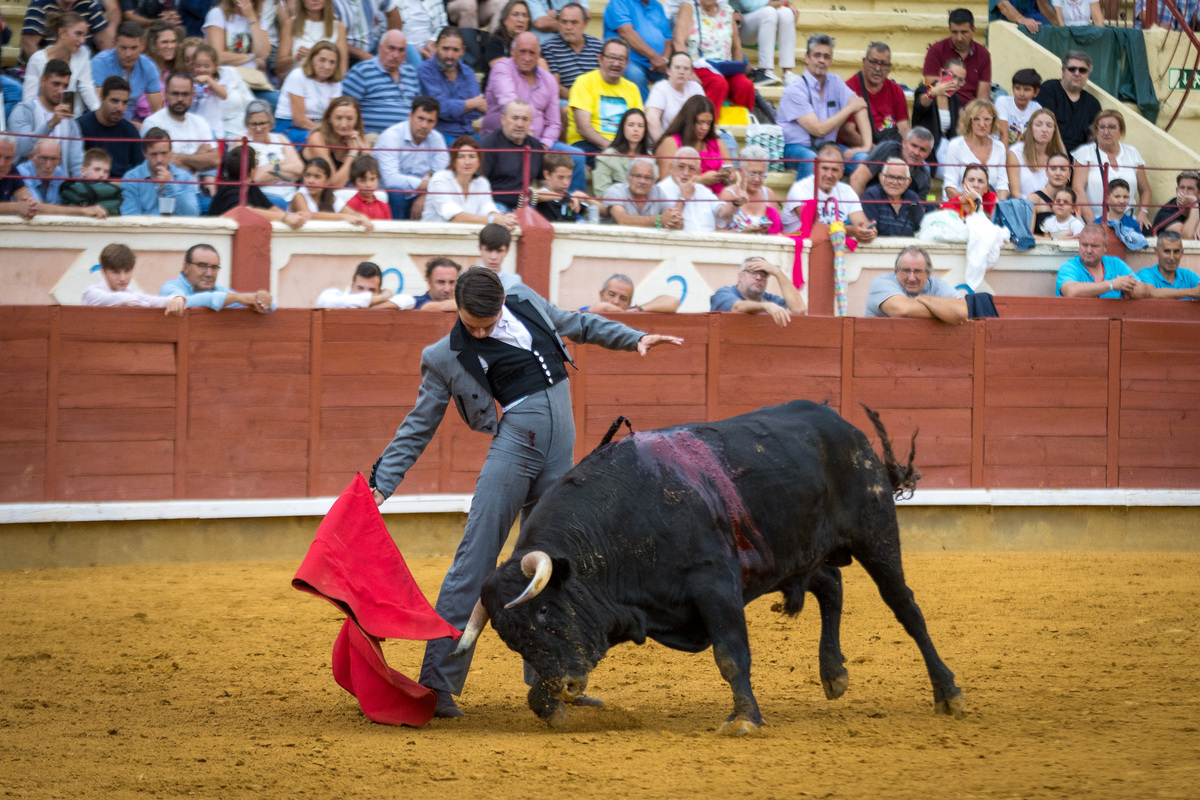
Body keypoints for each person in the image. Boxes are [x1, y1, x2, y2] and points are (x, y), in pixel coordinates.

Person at [368, 266, 683, 718]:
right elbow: (418, 426)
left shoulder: (526, 299)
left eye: (487, 322)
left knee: (554, 563)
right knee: (476, 558)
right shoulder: (444, 354)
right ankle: (437, 684)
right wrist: (382, 482)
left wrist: (633, 337)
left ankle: (553, 682)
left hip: (559, 454)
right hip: (515, 450)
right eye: (470, 322)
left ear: (502, 302)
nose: (478, 330)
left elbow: (580, 323)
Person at [482, 32, 587, 192]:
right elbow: (509, 105)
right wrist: (530, 141)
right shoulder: (502, 69)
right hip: (506, 140)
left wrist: (543, 145)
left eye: (532, 53)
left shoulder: (548, 79)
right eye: (522, 52)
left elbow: (554, 123)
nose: (527, 58)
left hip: (539, 144)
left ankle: (576, 209)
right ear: (512, 51)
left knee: (577, 156)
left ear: (539, 55)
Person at [778, 33, 871, 180]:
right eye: (817, 55)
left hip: (828, 148)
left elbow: (860, 106)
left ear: (831, 61)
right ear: (807, 58)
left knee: (865, 160)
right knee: (811, 159)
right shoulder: (795, 89)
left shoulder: (835, 82)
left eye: (826, 56)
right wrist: (849, 109)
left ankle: (852, 203)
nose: (822, 60)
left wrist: (866, 145)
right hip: (797, 148)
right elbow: (818, 130)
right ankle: (805, 203)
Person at [781, 142, 877, 242]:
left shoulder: (847, 191)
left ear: (842, 172)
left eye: (834, 170)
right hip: (800, 249)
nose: (829, 175)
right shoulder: (800, 189)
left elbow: (860, 221)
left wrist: (868, 230)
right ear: (815, 167)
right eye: (825, 168)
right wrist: (851, 231)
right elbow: (814, 226)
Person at [1071, 108, 1151, 227]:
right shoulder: (1086, 153)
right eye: (1102, 127)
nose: (1106, 132)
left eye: (1112, 127)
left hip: (1128, 222)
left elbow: (1145, 190)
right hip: (1096, 220)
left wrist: (1143, 213)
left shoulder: (1132, 153)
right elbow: (1078, 190)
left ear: (1121, 132)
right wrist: (1093, 223)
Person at [672, 0, 755, 114]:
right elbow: (678, 42)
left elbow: (736, 47)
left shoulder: (727, 11)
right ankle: (708, 126)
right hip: (698, 67)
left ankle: (742, 127)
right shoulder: (689, 8)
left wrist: (738, 70)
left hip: (725, 68)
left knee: (745, 85)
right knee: (718, 83)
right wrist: (688, 70)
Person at [8, 59, 85, 177]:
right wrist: (51, 124)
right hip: (26, 185)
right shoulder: (23, 111)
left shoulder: (70, 121)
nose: (60, 91)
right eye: (56, 84)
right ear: (42, 81)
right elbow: (23, 148)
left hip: (59, 188)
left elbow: (76, 162)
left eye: (65, 86)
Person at [566, 38, 644, 155]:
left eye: (621, 59)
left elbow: (638, 123)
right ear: (600, 59)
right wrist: (612, 149)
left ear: (627, 63)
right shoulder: (584, 82)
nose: (616, 64)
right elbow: (583, 128)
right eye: (611, 58)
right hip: (587, 144)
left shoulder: (632, 88)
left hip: (622, 147)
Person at [422, 134, 518, 227]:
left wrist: (505, 220)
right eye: (461, 157)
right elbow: (456, 217)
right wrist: (493, 220)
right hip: (434, 238)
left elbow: (488, 209)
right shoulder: (440, 179)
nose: (467, 162)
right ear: (453, 161)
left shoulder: (482, 182)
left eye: (472, 156)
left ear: (479, 161)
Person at [376, 95, 447, 220]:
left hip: (420, 194)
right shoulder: (391, 137)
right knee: (396, 192)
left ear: (435, 123)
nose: (424, 125)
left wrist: (425, 195)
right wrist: (429, 186)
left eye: (430, 121)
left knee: (441, 197)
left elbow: (442, 177)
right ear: (410, 116)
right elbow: (391, 180)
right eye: (420, 118)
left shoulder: (437, 139)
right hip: (387, 196)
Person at [206, 145, 311, 227]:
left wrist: (292, 216)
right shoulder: (229, 189)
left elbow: (270, 208)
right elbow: (244, 211)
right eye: (256, 163)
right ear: (251, 171)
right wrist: (284, 217)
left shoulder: (250, 186)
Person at [140, 73, 221, 178]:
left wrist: (177, 157)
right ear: (165, 95)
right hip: (161, 191)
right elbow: (159, 164)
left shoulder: (200, 122)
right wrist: (197, 159)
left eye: (185, 94)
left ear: (193, 95)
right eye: (175, 94)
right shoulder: (152, 123)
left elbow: (215, 159)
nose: (180, 99)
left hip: (193, 192)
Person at [342, 30, 420, 136]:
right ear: (380, 48)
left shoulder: (411, 72)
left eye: (401, 50)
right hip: (373, 140)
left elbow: (418, 110)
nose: (395, 55)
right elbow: (343, 109)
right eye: (391, 48)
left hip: (406, 141)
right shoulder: (362, 71)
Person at [22, 11, 101, 116]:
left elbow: (87, 87)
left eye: (84, 35)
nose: (82, 40)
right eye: (78, 34)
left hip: (73, 119)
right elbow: (29, 99)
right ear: (62, 33)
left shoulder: (83, 53)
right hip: (42, 119)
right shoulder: (37, 60)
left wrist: (99, 112)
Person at [160, 242, 276, 311]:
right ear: (186, 267)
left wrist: (261, 299)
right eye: (202, 266)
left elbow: (270, 308)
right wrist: (237, 298)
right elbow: (186, 302)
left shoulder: (222, 292)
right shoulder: (170, 287)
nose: (209, 273)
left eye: (214, 267)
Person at [653, 94, 732, 193]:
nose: (705, 128)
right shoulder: (671, 142)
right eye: (700, 122)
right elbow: (665, 183)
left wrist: (729, 177)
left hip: (718, 201)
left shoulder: (717, 141)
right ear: (689, 120)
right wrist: (700, 180)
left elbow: (732, 172)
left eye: (709, 123)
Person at [417, 27, 485, 141]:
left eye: (455, 50)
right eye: (445, 49)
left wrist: (453, 108)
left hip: (467, 134)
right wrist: (471, 103)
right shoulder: (425, 71)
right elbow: (439, 108)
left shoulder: (467, 72)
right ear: (435, 47)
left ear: (463, 50)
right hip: (439, 136)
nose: (450, 55)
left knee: (492, 151)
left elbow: (476, 113)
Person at [479, 99, 547, 209]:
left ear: (530, 122)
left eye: (525, 119)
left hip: (527, 206)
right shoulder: (488, 144)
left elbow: (544, 182)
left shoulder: (536, 146)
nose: (520, 124)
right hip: (496, 205)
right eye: (515, 118)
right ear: (503, 119)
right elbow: (479, 183)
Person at [866, 245, 966, 320]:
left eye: (917, 271)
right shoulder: (882, 283)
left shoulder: (937, 285)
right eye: (906, 271)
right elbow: (903, 310)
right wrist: (945, 314)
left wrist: (923, 298)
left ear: (928, 273)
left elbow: (961, 312)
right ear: (896, 271)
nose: (912, 278)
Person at [83, 243, 187, 313]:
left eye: (127, 271)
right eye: (116, 272)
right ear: (103, 271)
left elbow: (152, 300)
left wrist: (177, 298)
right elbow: (123, 299)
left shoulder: (131, 294)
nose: (122, 278)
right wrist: (143, 303)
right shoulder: (91, 293)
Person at [91, 21, 164, 121]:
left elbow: (158, 111)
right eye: (123, 48)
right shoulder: (100, 63)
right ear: (115, 44)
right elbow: (99, 105)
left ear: (142, 45)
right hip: (101, 121)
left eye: (133, 48)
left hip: (129, 123)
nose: (128, 54)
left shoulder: (149, 66)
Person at [119, 127, 201, 215]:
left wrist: (170, 185)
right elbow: (130, 216)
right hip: (146, 228)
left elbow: (192, 214)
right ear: (144, 153)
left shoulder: (184, 177)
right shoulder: (131, 179)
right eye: (154, 154)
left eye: (164, 153)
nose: (159, 159)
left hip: (175, 228)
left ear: (170, 152)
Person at [1055, 223, 1151, 298]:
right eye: (1084, 245)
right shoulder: (1069, 267)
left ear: (1105, 247)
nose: (1088, 250)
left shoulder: (1116, 264)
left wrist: (1130, 288)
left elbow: (1143, 291)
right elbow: (1071, 291)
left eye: (1094, 246)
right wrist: (1111, 285)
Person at [17, 137, 108, 216]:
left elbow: (65, 204)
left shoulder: (58, 171)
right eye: (43, 158)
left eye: (53, 159)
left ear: (59, 160)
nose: (48, 165)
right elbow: (34, 208)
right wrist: (82, 210)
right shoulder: (21, 172)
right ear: (31, 157)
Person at [275, 40, 344, 143]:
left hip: (320, 127)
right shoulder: (297, 76)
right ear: (312, 59)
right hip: (290, 127)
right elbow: (299, 120)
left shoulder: (336, 83)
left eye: (332, 62)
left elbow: (332, 115)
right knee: (320, 140)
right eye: (322, 60)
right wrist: (326, 132)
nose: (327, 66)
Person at [184, 38, 254, 138]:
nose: (202, 69)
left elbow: (223, 95)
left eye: (206, 66)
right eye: (198, 66)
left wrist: (209, 80)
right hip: (196, 128)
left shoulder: (219, 82)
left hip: (215, 129)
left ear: (214, 67)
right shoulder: (189, 83)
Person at [941, 99, 1009, 201]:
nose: (982, 124)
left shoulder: (999, 147)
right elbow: (950, 188)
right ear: (969, 121)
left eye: (987, 119)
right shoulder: (956, 145)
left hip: (989, 206)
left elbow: (1002, 186)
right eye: (976, 119)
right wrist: (974, 204)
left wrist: (996, 206)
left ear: (993, 121)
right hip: (960, 205)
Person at [603, 0, 672, 99]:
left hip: (658, 64)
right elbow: (626, 33)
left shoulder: (657, 6)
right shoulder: (619, 2)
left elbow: (668, 39)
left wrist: (665, 59)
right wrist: (654, 57)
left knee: (678, 75)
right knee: (635, 75)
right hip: (630, 61)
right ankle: (642, 112)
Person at [655, 146, 734, 232]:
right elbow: (670, 224)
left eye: (691, 168)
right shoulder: (659, 190)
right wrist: (683, 197)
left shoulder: (703, 190)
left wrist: (735, 204)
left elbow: (722, 214)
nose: (686, 173)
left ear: (698, 172)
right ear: (672, 168)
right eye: (681, 166)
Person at [76, 77, 143, 178]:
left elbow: (140, 169)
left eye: (124, 102)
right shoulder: (81, 126)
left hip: (122, 188)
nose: (120, 108)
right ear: (102, 97)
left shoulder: (130, 131)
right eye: (114, 101)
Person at [243, 99, 305, 208]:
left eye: (262, 123)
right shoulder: (243, 141)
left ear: (271, 123)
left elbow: (299, 170)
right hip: (265, 197)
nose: (258, 128)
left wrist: (272, 168)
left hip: (292, 196)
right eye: (253, 124)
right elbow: (255, 178)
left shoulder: (280, 138)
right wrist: (285, 172)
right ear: (247, 124)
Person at [1036, 51, 1101, 155]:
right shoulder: (1049, 90)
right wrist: (1064, 160)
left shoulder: (1093, 104)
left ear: (1088, 74)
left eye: (1082, 70)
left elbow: (1094, 139)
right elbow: (1045, 128)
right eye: (1072, 69)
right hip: (1049, 155)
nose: (1077, 73)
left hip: (1080, 161)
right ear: (1063, 71)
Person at [845, 42, 909, 146]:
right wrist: (877, 152)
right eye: (873, 62)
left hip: (889, 147)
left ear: (889, 67)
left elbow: (904, 129)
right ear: (864, 62)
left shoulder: (896, 91)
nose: (878, 68)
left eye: (883, 64)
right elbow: (848, 133)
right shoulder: (849, 88)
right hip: (860, 148)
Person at [710, 256, 806, 326]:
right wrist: (765, 306)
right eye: (753, 272)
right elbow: (737, 307)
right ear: (740, 276)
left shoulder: (769, 299)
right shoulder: (724, 293)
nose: (759, 277)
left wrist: (777, 272)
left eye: (764, 274)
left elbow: (799, 310)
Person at [922, 9, 991, 105]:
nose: (959, 38)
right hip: (943, 108)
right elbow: (932, 89)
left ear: (973, 30)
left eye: (964, 32)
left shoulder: (983, 54)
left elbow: (982, 98)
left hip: (971, 112)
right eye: (955, 32)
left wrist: (970, 116)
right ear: (949, 31)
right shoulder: (936, 50)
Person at [847, 126, 934, 201]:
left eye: (922, 150)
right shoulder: (887, 149)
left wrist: (911, 216)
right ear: (904, 143)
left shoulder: (924, 177)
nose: (916, 152)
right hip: (870, 207)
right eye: (914, 146)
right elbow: (857, 179)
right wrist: (858, 212)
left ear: (928, 154)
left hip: (898, 217)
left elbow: (916, 206)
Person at [288, 155, 375, 228]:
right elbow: (309, 216)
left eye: (317, 176)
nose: (311, 181)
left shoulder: (330, 197)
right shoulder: (299, 196)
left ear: (327, 181)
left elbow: (351, 213)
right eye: (307, 175)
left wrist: (362, 217)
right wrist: (344, 216)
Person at [301, 95, 370, 187]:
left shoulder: (360, 139)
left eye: (349, 118)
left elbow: (369, 178)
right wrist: (353, 152)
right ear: (330, 118)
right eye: (338, 118)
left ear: (356, 120)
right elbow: (334, 185)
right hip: (317, 193)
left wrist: (365, 152)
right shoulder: (318, 138)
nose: (344, 124)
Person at [542, 3, 603, 103]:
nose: (568, 27)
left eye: (574, 22)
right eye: (564, 22)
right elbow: (554, 86)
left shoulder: (598, 46)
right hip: (569, 101)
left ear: (585, 23)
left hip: (597, 100)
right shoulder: (550, 47)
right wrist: (582, 100)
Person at [911, 57, 965, 169]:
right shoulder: (925, 90)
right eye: (953, 76)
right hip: (927, 148)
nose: (955, 82)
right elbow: (920, 105)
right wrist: (933, 93)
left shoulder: (955, 99)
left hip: (947, 147)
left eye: (960, 80)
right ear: (943, 73)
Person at [716, 144, 782, 234]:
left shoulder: (768, 194)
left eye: (761, 174)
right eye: (752, 173)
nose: (757, 179)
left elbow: (776, 231)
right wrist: (742, 233)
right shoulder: (729, 194)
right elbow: (717, 232)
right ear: (740, 171)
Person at [600, 156, 680, 227]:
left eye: (647, 177)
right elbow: (622, 219)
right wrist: (659, 219)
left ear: (654, 181)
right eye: (638, 176)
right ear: (628, 178)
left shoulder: (658, 192)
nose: (642, 181)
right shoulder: (617, 190)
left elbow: (675, 222)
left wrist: (673, 221)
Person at [275, 0, 347, 78]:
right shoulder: (290, 24)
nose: (314, 0)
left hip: (327, 83)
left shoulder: (338, 27)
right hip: (299, 82)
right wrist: (296, 57)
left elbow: (342, 69)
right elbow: (279, 68)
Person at [729, 0, 795, 85]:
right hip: (739, 25)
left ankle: (787, 73)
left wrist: (787, 3)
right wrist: (784, 3)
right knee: (769, 12)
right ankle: (766, 71)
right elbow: (750, 5)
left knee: (786, 12)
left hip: (767, 26)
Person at [20, 0, 113, 61]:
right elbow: (29, 46)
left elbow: (105, 44)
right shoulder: (39, 4)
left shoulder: (87, 4)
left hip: (81, 67)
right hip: (47, 70)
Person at [644, 51, 704, 141]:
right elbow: (652, 119)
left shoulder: (696, 88)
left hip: (692, 141)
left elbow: (705, 117)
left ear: (691, 72)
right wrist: (661, 146)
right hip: (667, 141)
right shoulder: (660, 87)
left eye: (686, 69)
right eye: (677, 67)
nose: (681, 72)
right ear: (668, 70)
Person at [1005, 107, 1063, 199]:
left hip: (1049, 209)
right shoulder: (1016, 152)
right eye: (1038, 125)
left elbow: (1060, 193)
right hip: (1022, 206)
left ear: (1054, 131)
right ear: (1030, 128)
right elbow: (1014, 193)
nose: (1044, 129)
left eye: (1049, 125)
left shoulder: (1057, 157)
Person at [861, 157, 924, 236]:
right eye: (890, 177)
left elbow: (922, 229)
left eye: (900, 178)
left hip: (908, 246)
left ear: (908, 182)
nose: (895, 182)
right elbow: (870, 231)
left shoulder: (912, 199)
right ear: (881, 177)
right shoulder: (872, 196)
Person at [593, 107, 651, 194]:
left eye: (640, 126)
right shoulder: (607, 156)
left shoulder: (650, 157)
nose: (636, 129)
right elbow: (601, 192)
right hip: (615, 205)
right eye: (631, 125)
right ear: (622, 128)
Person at [316, 260, 418, 308]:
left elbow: (408, 301)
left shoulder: (382, 301)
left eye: (371, 290)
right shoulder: (336, 295)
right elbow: (325, 302)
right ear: (352, 286)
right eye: (360, 288)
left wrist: (372, 308)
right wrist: (382, 297)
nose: (364, 294)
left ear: (379, 290)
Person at [204, 0, 269, 71]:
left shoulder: (259, 17)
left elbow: (263, 53)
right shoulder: (217, 13)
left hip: (252, 76)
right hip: (226, 74)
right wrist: (252, 56)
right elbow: (218, 57)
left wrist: (251, 17)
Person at [136, 20, 181, 122]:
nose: (170, 46)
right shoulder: (142, 68)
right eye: (165, 42)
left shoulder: (170, 69)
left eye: (173, 41)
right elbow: (143, 109)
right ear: (153, 43)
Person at [1136, 231, 1200, 299]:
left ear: (1182, 253)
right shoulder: (1145, 274)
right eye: (1167, 251)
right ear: (1156, 252)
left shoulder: (1187, 275)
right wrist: (1191, 292)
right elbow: (1150, 293)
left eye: (1176, 252)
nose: (1171, 257)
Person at [60, 147, 123, 215]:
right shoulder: (75, 189)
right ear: (83, 171)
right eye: (97, 169)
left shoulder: (112, 190)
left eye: (106, 171)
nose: (101, 175)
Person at [483, 0, 532, 84]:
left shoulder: (532, 43)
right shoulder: (494, 42)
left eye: (525, 15)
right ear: (504, 20)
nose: (521, 20)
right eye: (515, 14)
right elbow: (502, 71)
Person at [532, 151, 589, 222]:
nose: (566, 183)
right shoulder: (543, 194)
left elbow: (603, 212)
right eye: (560, 177)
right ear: (547, 175)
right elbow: (534, 195)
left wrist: (587, 199)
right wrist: (565, 197)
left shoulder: (571, 197)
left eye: (569, 177)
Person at [1028, 151, 1074, 234]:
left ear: (1069, 174)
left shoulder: (1074, 198)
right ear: (1046, 172)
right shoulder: (1034, 199)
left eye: (1063, 169)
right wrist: (1055, 239)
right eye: (1053, 169)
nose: (1058, 173)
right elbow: (1027, 236)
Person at [586, 272, 681, 312]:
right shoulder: (586, 309)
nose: (616, 301)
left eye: (623, 298)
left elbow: (673, 301)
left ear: (629, 302)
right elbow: (603, 307)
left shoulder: (633, 311)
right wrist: (626, 313)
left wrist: (637, 310)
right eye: (611, 294)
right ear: (601, 294)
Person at [995, 68, 1041, 148]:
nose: (1021, 94)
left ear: (1036, 92)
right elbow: (1003, 135)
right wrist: (1006, 160)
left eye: (1027, 90)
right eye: (1017, 88)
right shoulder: (1003, 102)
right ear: (1013, 88)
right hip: (1001, 151)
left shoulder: (1036, 108)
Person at [0, 135, 41, 219]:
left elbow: (30, 204)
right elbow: (18, 207)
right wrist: (15, 207)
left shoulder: (12, 169)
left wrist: (29, 207)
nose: (2, 164)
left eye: (8, 158)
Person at [1152, 169, 1200, 238]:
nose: (1185, 192)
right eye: (1182, 188)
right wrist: (1194, 204)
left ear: (1199, 193)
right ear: (1177, 190)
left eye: (1190, 188)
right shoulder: (1166, 212)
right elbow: (1187, 238)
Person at [341, 154, 391, 220]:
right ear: (354, 182)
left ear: (378, 179)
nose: (368, 185)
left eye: (372, 179)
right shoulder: (350, 206)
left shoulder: (384, 206)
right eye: (362, 181)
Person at [474, 222, 522, 288]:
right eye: (488, 250)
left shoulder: (514, 281)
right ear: (480, 248)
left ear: (507, 251)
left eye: (499, 251)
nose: (493, 257)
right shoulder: (468, 280)